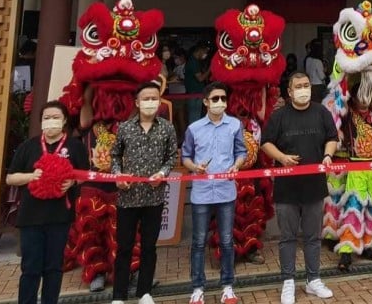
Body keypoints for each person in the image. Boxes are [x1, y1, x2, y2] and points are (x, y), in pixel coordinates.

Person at [261, 72, 338, 304]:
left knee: (313, 237)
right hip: (287, 188)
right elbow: (265, 143)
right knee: (288, 237)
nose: (304, 89)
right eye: (299, 86)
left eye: (306, 85)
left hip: (314, 187)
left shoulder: (321, 112)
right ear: (290, 92)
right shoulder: (279, 116)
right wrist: (282, 158)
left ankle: (313, 280)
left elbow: (332, 137)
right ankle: (288, 282)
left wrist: (327, 155)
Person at [7, 100, 88, 304]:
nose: (50, 122)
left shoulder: (75, 146)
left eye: (55, 118)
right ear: (41, 121)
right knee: (31, 267)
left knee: (53, 267)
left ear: (64, 120)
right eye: (46, 118)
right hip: (31, 217)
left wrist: (72, 182)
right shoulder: (28, 146)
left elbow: (85, 174)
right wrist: (31, 177)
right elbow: (10, 178)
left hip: (59, 216)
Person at [110, 82, 179, 304]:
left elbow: (171, 157)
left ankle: (144, 292)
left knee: (149, 246)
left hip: (154, 197)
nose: (151, 102)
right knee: (124, 247)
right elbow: (114, 156)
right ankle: (119, 295)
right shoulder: (125, 128)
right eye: (146, 99)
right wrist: (118, 176)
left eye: (154, 98)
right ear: (137, 102)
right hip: (128, 197)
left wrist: (162, 172)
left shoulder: (167, 128)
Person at [182, 82, 247, 304]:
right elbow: (185, 156)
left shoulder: (235, 125)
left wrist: (237, 165)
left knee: (227, 241)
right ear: (205, 101)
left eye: (223, 98)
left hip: (226, 191)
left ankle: (228, 287)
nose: (220, 102)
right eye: (215, 98)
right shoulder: (194, 128)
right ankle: (197, 288)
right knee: (198, 241)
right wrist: (194, 168)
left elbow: (241, 151)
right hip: (201, 193)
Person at [186, 44, 210, 124]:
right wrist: (210, 70)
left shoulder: (196, 61)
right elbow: (200, 78)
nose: (205, 55)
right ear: (199, 50)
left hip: (197, 92)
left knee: (196, 115)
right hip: (194, 92)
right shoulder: (193, 62)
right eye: (204, 52)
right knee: (194, 116)